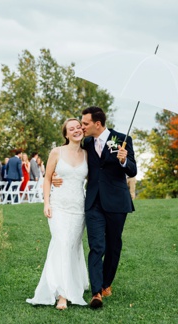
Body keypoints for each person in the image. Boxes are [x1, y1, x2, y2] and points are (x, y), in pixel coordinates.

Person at [54, 106, 136, 309]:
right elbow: (72, 158)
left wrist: (124, 159)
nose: (82, 127)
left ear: (97, 124)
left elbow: (133, 170)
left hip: (117, 202)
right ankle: (96, 292)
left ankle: (107, 283)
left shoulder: (123, 139)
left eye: (85, 123)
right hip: (92, 203)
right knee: (97, 245)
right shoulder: (87, 143)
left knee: (113, 244)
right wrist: (58, 176)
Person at [28, 118, 90, 310]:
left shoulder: (88, 155)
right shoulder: (56, 152)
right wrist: (46, 202)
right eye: (71, 129)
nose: (76, 130)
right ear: (66, 134)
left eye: (78, 127)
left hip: (79, 208)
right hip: (58, 206)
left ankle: (74, 282)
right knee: (61, 243)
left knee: (72, 246)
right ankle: (62, 295)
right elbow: (47, 179)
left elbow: (95, 178)